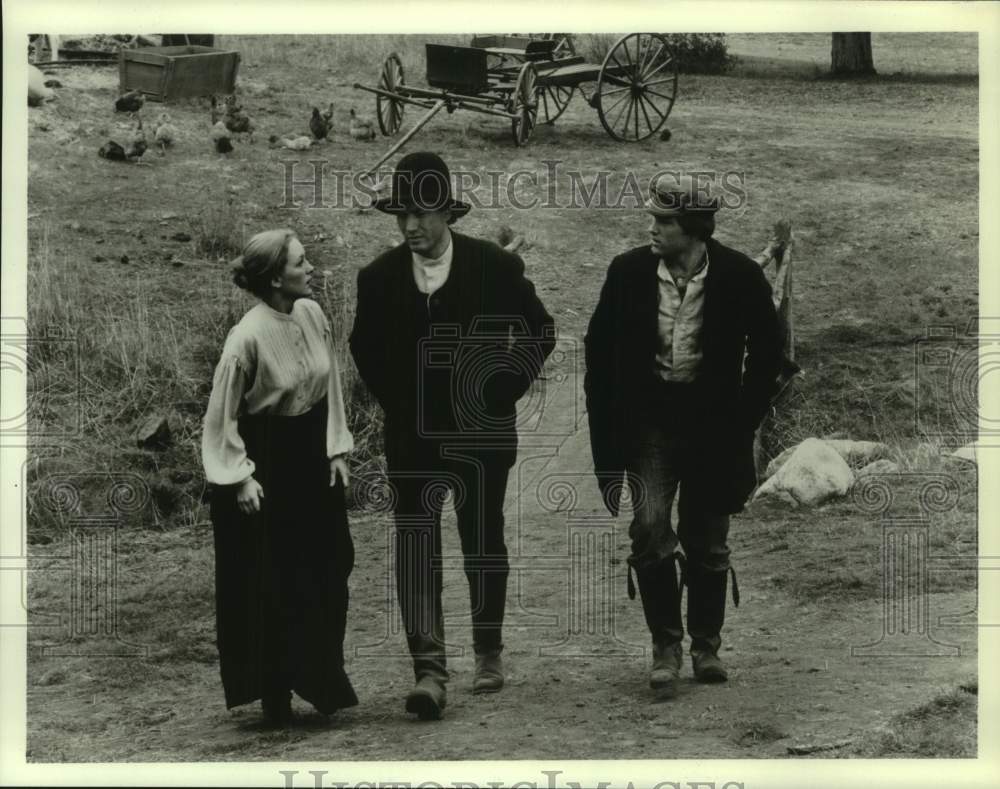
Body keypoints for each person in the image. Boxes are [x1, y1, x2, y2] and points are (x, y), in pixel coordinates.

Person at [350, 152, 555, 720]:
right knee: (416, 546)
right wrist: (400, 399)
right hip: (412, 440)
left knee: (483, 540)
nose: (410, 225)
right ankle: (429, 669)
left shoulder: (494, 267)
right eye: (401, 215)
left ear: (446, 211)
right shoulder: (379, 278)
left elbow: (540, 331)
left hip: (481, 436)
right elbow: (362, 347)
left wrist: (502, 386)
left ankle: (488, 650)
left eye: (421, 212)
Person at [584, 174, 783, 697]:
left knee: (708, 539)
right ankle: (665, 648)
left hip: (715, 426)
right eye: (652, 217)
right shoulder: (627, 273)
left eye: (663, 220)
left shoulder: (739, 276)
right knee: (649, 527)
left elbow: (770, 355)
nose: (652, 227)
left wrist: (743, 418)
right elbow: (598, 355)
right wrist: (609, 429)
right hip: (650, 423)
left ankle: (706, 647)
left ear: (692, 228)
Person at [202, 228, 357, 726]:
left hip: (311, 457)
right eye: (300, 263)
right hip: (264, 465)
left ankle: (320, 679)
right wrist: (240, 478)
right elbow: (221, 418)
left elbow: (329, 382)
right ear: (274, 278)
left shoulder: (311, 313)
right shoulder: (245, 338)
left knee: (329, 565)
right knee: (273, 578)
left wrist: (335, 448)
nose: (311, 269)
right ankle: (275, 692)